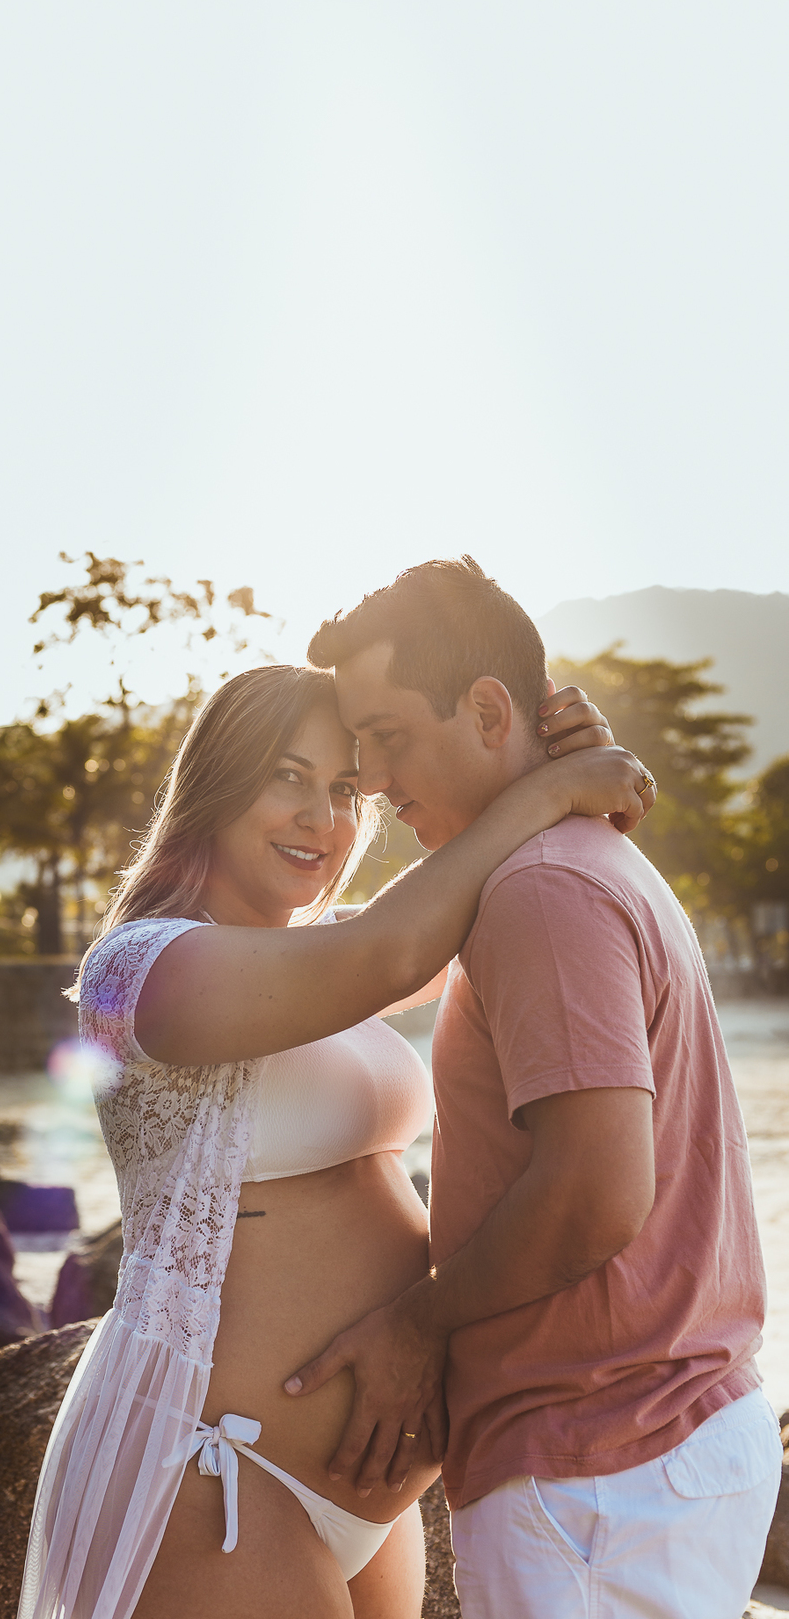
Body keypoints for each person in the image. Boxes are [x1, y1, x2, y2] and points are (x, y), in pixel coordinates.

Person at [17, 657, 654, 1619]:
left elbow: (469, 910)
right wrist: (552, 787)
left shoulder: (315, 957)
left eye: (347, 788)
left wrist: (536, 756)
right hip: (213, 1469)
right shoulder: (138, 969)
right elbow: (395, 947)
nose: (325, 819)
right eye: (288, 778)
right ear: (217, 786)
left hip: (359, 1491)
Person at [285, 556, 780, 1619]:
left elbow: (598, 1192)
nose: (369, 776)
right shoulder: (567, 860)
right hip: (648, 1450)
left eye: (388, 736)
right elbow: (371, 959)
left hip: (601, 1469)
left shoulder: (543, 893)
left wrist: (417, 1327)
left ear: (488, 709)